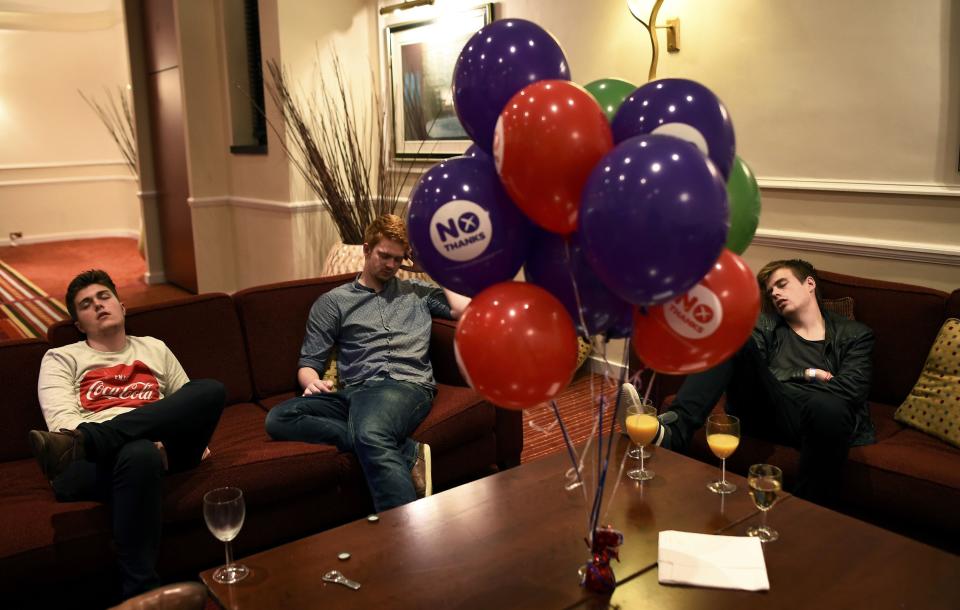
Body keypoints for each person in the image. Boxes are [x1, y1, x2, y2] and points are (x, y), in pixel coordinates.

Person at [28, 270, 225, 599]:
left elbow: (187, 403)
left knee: (211, 390)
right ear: (78, 324)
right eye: (86, 304)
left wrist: (171, 434)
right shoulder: (61, 357)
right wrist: (133, 439)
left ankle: (102, 437)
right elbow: (63, 430)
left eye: (104, 297)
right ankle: (142, 593)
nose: (98, 306)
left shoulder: (154, 348)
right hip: (86, 459)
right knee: (138, 453)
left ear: (122, 306)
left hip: (157, 445)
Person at [265, 214, 470, 512]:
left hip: (404, 386)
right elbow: (308, 362)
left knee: (371, 432)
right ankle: (405, 451)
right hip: (355, 393)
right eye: (384, 255)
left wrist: (435, 268)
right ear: (366, 249)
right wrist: (312, 382)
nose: (390, 265)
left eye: (397, 260)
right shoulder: (333, 302)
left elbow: (467, 311)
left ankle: (405, 530)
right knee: (280, 418)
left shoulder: (417, 292)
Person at [650, 259, 875, 504]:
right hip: (768, 408)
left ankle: (808, 512)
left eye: (782, 284)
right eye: (771, 291)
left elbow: (852, 389)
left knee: (828, 407)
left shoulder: (855, 334)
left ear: (809, 283)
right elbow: (754, 373)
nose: (775, 293)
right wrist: (807, 373)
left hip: (820, 415)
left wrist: (785, 380)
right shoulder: (765, 325)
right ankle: (674, 431)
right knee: (731, 337)